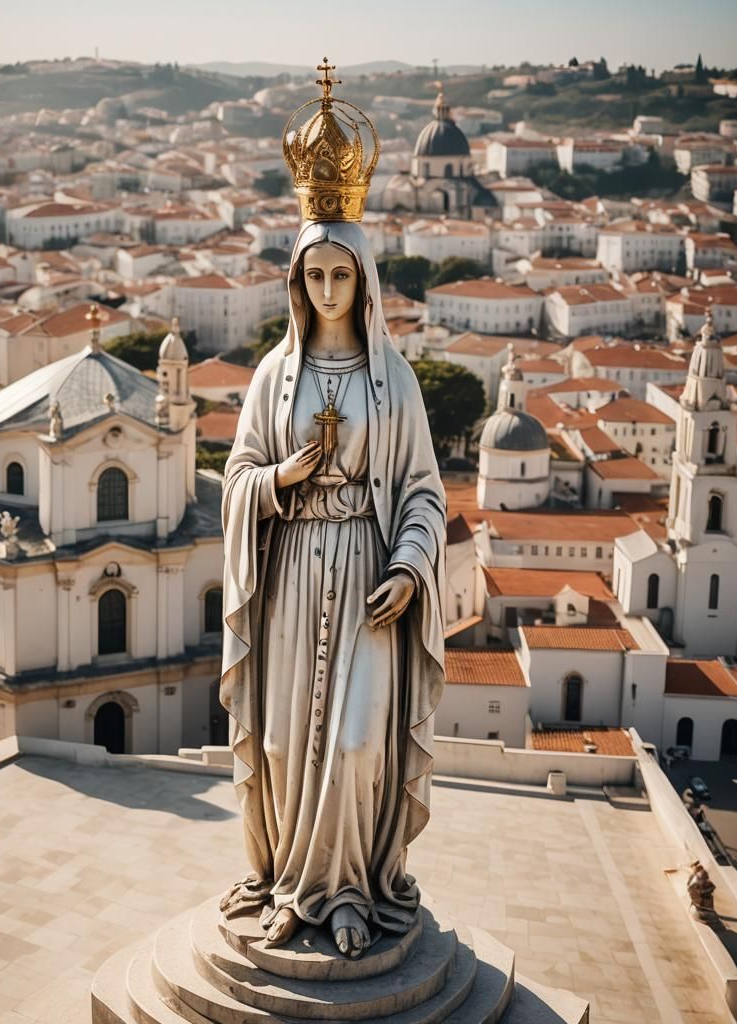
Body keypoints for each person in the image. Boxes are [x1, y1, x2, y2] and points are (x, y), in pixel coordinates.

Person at [219, 212, 446, 960]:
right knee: (283, 746)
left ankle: (349, 891)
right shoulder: (272, 377)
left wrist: (410, 567)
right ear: (296, 282)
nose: (326, 290)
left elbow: (424, 494)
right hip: (289, 570)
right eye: (313, 276)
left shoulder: (396, 382)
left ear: (365, 279)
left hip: (366, 575)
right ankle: (291, 884)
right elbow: (236, 481)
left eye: (340, 275)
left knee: (353, 747)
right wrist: (280, 477)